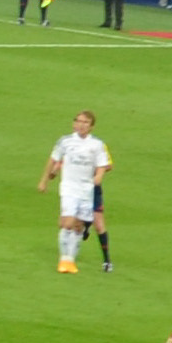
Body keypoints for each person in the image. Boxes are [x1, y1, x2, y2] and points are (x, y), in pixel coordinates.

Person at [40, 110, 114, 273]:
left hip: (87, 190)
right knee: (67, 223)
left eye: (85, 122)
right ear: (74, 123)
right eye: (78, 121)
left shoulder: (97, 144)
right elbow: (54, 159)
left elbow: (104, 164)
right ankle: (64, 259)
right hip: (69, 188)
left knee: (79, 226)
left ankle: (70, 261)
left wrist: (98, 177)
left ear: (91, 127)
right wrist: (45, 180)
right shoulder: (65, 141)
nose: (81, 125)